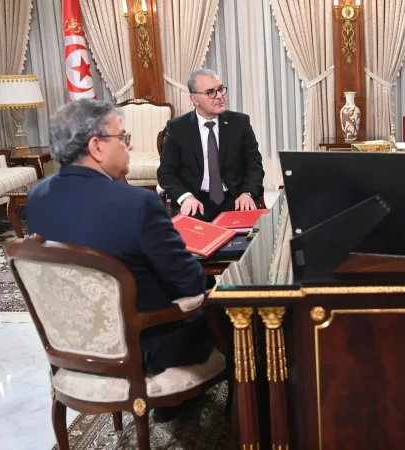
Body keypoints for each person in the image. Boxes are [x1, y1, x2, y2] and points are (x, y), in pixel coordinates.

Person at [26, 99, 213, 422]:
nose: (131, 146)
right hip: (144, 348)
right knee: (234, 315)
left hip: (72, 345)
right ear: (97, 147)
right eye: (123, 137)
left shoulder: (37, 197)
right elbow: (190, 282)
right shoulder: (139, 204)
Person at [158, 68, 264, 221]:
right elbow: (166, 173)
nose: (220, 96)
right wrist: (186, 197)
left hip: (235, 198)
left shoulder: (240, 123)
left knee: (252, 233)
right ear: (194, 99)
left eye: (220, 89)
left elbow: (255, 165)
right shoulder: (177, 128)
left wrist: (247, 193)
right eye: (211, 92)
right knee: (190, 235)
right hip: (196, 200)